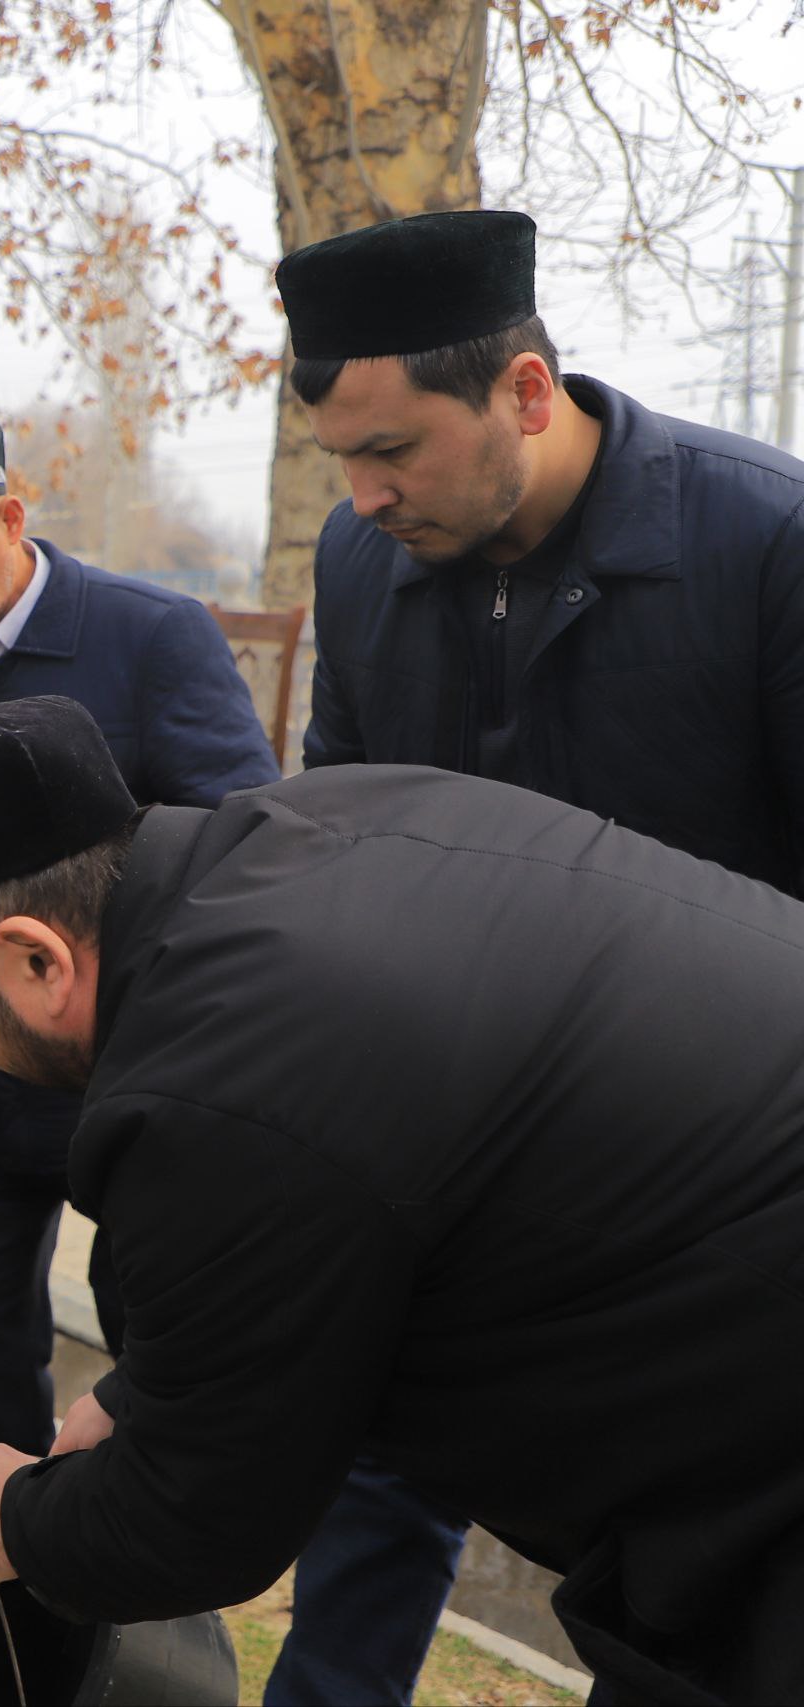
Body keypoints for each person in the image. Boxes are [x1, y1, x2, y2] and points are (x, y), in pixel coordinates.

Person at [0, 696, 804, 1706]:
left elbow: (196, 1526)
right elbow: (348, 1198)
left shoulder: (210, 1085)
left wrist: (17, 1520)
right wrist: (136, 1401)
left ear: (36, 959)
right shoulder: (319, 829)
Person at [281, 207, 804, 1704]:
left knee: (687, 1597)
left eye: (398, 452)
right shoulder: (361, 559)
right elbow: (339, 841)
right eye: (342, 462)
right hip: (448, 1161)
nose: (369, 497)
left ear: (522, 388)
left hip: (712, 1209)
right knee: (366, 1502)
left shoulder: (766, 540)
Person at [0, 414, 275, 1465]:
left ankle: (127, 1555)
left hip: (121, 1073)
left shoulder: (151, 635)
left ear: (11, 516)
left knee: (141, 1327)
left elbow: (245, 840)